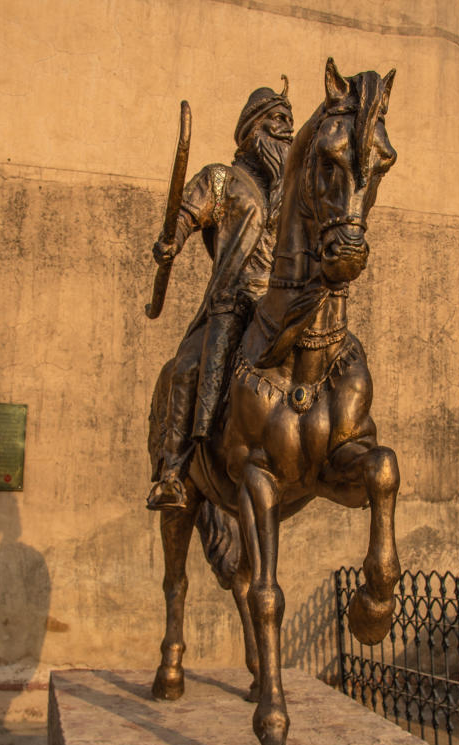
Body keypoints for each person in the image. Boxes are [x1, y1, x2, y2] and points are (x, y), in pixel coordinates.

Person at [147, 80, 294, 510]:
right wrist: (171, 239)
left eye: (289, 120)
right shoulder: (222, 180)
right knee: (189, 367)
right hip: (234, 301)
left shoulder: (293, 186)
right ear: (254, 129)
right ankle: (173, 473)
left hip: (283, 304)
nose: (287, 129)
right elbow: (186, 216)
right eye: (277, 120)